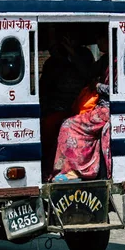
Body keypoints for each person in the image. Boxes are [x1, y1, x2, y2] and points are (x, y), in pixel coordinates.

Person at [52, 31, 111, 182]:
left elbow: (117, 91)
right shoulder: (106, 59)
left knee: (68, 125)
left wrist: (97, 86)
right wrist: (72, 52)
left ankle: (74, 170)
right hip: (101, 108)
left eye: (100, 38)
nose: (98, 42)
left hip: (108, 110)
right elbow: (88, 72)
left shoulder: (122, 62)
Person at [39, 26, 94, 180]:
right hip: (55, 107)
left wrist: (72, 54)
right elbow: (44, 88)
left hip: (80, 105)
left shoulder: (84, 56)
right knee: (46, 127)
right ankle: (49, 168)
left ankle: (66, 168)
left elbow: (88, 74)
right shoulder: (52, 63)